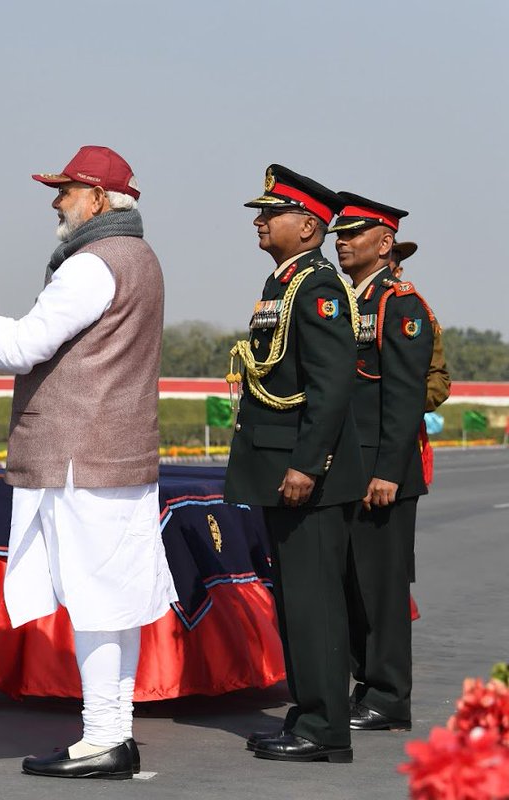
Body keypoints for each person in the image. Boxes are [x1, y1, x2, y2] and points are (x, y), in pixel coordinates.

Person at [0, 145, 178, 780]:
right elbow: (49, 338)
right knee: (115, 601)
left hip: (80, 456)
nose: (56, 202)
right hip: (116, 454)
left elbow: (26, 348)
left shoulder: (89, 264)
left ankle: (105, 738)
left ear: (99, 201)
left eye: (66, 191)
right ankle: (112, 733)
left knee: (98, 604)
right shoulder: (138, 258)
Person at [226, 165, 367, 763]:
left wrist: (308, 464)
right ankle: (311, 711)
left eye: (271, 213)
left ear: (308, 226)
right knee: (297, 603)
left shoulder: (317, 288)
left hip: (303, 475)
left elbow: (332, 385)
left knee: (314, 605)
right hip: (279, 467)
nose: (260, 221)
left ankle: (325, 727)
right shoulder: (282, 282)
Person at [330, 194, 435, 733]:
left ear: (384, 242)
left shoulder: (400, 303)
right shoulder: (349, 300)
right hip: (351, 466)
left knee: (382, 588)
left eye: (354, 234)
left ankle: (389, 696)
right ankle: (365, 685)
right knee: (351, 582)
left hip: (382, 471)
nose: (342, 242)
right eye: (339, 235)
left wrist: (389, 470)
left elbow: (403, 394)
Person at [391, 241, 450, 412]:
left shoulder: (417, 312)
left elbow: (439, 380)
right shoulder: (349, 303)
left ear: (398, 271)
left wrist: (404, 407)